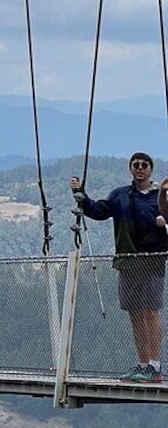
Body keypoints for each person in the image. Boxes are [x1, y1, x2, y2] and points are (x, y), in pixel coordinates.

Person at [70, 153, 168, 383]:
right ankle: (143, 364)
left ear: (150, 170)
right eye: (136, 165)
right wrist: (80, 196)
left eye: (144, 165)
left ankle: (154, 365)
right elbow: (98, 211)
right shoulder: (120, 195)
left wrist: (164, 222)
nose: (140, 168)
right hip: (128, 260)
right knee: (135, 313)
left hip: (152, 260)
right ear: (131, 169)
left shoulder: (160, 198)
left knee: (150, 311)